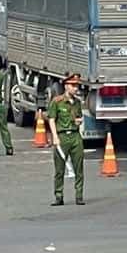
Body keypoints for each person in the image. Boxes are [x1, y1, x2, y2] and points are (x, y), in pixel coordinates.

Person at [47, 74, 85, 206]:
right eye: (73, 86)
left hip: (75, 136)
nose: (75, 88)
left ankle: (79, 195)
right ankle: (59, 195)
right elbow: (51, 119)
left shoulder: (77, 102)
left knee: (79, 168)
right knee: (59, 170)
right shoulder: (57, 102)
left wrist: (79, 121)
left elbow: (79, 117)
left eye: (77, 86)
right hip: (62, 136)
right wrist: (55, 137)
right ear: (66, 86)